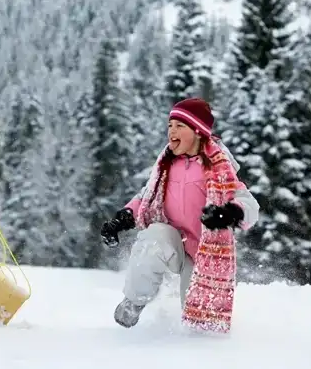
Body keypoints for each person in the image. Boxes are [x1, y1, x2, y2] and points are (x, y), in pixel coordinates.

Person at [99, 97, 260, 328]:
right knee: (154, 238)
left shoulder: (218, 168)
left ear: (197, 131)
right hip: (173, 243)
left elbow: (249, 205)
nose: (171, 131)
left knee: (200, 326)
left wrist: (231, 213)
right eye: (170, 125)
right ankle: (134, 301)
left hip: (204, 255)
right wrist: (122, 218)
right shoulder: (167, 165)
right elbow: (147, 196)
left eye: (179, 126)